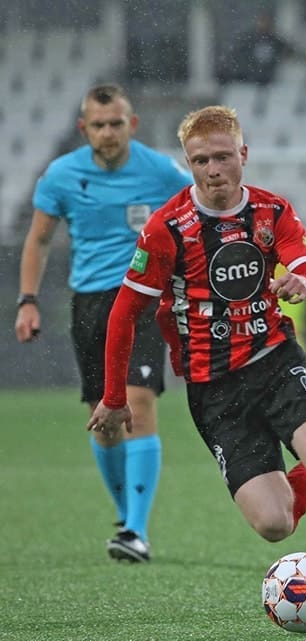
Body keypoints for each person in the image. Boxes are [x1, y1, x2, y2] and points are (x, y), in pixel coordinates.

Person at [86, 105, 306, 589]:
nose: (214, 170)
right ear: (189, 163)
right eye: (201, 161)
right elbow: (124, 314)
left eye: (223, 157)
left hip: (275, 360)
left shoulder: (272, 211)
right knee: (275, 525)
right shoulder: (167, 228)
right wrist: (115, 397)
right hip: (213, 387)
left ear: (243, 154)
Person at [14, 83, 193, 563]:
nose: (108, 132)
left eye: (117, 123)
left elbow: (200, 216)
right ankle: (126, 516)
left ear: (132, 125)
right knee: (104, 422)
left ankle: (136, 530)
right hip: (90, 305)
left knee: (136, 401)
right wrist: (27, 300)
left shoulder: (160, 172)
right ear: (83, 129)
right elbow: (38, 241)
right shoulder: (61, 175)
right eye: (99, 124)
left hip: (142, 301)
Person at [218, 12, 295, 85]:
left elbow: (289, 51)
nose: (264, 25)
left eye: (267, 22)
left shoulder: (275, 41)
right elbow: (236, 53)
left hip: (266, 78)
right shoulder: (249, 39)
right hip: (247, 77)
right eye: (262, 21)